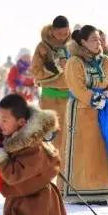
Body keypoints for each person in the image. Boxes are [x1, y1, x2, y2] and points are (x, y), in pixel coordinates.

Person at [63, 25, 108, 204]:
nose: (98, 42)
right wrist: (92, 98)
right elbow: (76, 86)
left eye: (99, 39)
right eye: (93, 39)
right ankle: (83, 191)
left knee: (103, 149)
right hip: (82, 111)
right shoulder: (75, 62)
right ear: (83, 42)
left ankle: (103, 190)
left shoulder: (106, 61)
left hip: (104, 110)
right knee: (85, 152)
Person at [30, 15, 72, 176]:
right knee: (51, 137)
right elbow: (36, 71)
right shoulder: (43, 47)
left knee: (70, 138)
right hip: (50, 99)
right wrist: (56, 66)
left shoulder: (74, 45)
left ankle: (67, 175)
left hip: (71, 98)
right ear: (53, 31)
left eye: (65, 33)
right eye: (59, 34)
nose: (63, 37)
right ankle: (49, 174)